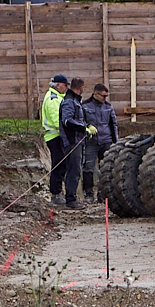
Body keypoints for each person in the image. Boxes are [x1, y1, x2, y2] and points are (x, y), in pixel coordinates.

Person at [81, 83, 119, 201]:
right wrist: (87, 127)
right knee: (88, 168)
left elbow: (113, 125)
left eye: (106, 96)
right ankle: (89, 194)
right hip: (91, 141)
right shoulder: (85, 105)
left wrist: (115, 142)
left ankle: (103, 194)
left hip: (106, 141)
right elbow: (80, 121)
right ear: (95, 94)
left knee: (106, 169)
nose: (105, 98)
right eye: (103, 96)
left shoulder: (108, 107)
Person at [59, 77, 89, 209]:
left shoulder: (76, 101)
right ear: (81, 88)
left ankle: (72, 198)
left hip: (78, 141)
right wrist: (83, 127)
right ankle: (70, 200)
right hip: (72, 142)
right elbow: (67, 121)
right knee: (73, 170)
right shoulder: (69, 102)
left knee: (76, 169)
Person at [41, 75, 69, 206]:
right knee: (58, 165)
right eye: (65, 85)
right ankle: (56, 194)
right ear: (58, 85)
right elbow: (56, 120)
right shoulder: (53, 99)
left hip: (57, 136)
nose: (67, 87)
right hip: (55, 136)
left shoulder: (57, 98)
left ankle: (58, 193)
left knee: (61, 165)